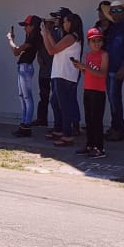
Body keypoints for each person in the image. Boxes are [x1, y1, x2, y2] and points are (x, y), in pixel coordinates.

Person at [42, 10, 84, 147]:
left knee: (63, 105)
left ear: (71, 23)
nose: (63, 24)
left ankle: (67, 135)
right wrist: (48, 34)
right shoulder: (71, 37)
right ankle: (59, 129)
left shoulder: (71, 37)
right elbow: (56, 48)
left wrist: (45, 34)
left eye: (65, 21)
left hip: (64, 75)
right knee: (55, 102)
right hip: (61, 74)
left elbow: (51, 50)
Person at [101, 0, 124, 141]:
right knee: (112, 99)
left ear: (123, 12)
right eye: (113, 11)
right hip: (108, 68)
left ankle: (118, 129)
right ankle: (114, 127)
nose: (115, 14)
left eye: (118, 10)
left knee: (115, 98)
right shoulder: (110, 28)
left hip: (117, 69)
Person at [75, 27, 109, 158]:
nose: (97, 43)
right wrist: (81, 68)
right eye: (93, 41)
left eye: (99, 40)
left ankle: (99, 148)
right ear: (89, 43)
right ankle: (90, 145)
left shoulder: (104, 55)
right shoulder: (88, 55)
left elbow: (102, 74)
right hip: (88, 89)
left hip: (98, 91)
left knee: (97, 120)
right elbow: (88, 72)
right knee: (88, 120)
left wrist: (85, 67)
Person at [9, 15, 41, 137]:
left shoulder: (33, 38)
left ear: (33, 26)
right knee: (23, 96)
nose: (24, 28)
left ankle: (26, 126)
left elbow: (16, 51)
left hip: (26, 68)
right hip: (24, 67)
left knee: (27, 97)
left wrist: (10, 39)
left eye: (26, 26)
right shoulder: (31, 37)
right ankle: (24, 124)